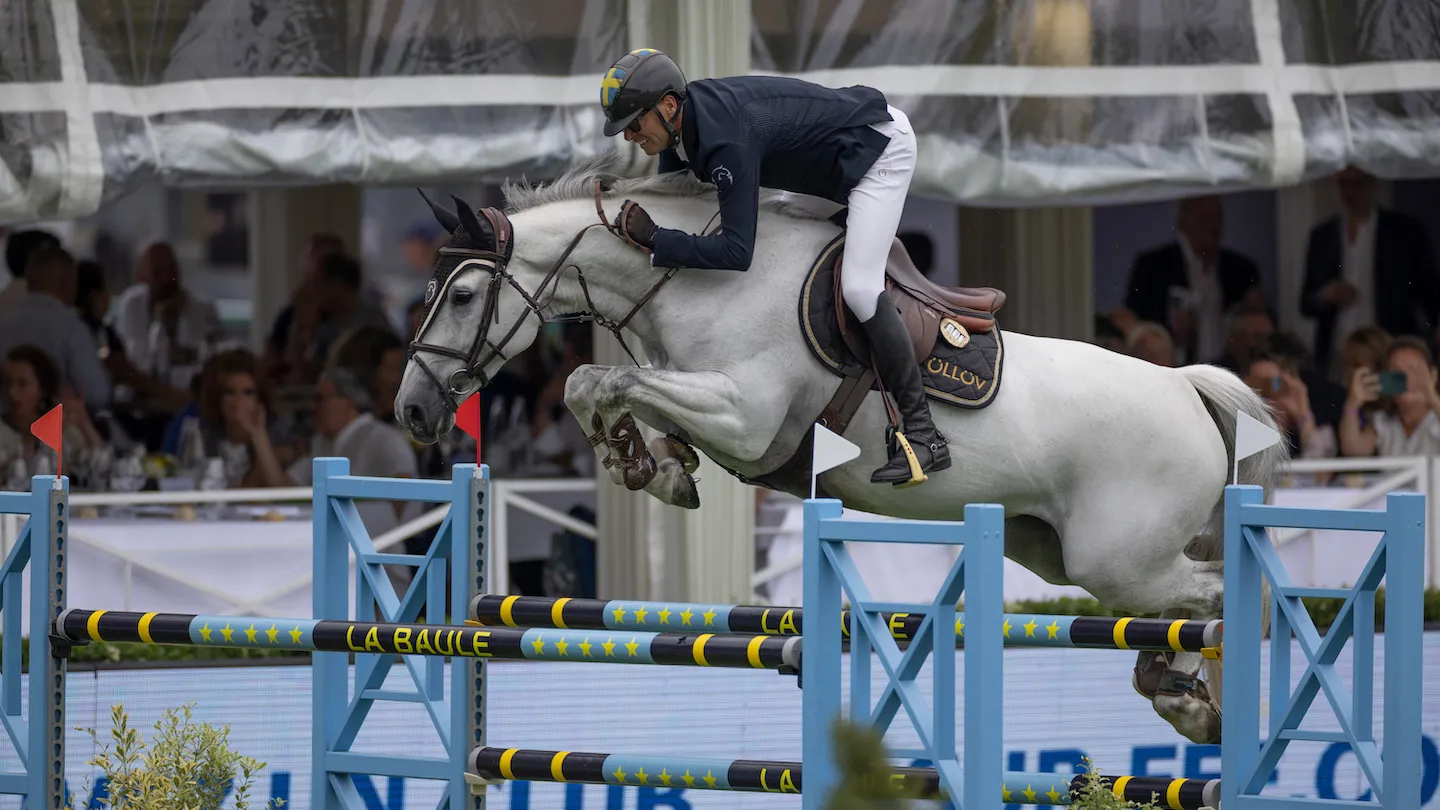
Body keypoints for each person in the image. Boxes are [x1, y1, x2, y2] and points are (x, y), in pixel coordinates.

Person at [597, 48, 949, 486]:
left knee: (859, 288)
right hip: (827, 168)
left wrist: (656, 240)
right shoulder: (682, 130)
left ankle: (923, 434)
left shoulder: (725, 140)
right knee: (778, 237)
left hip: (876, 152)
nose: (629, 136)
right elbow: (674, 210)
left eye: (634, 124)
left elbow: (734, 253)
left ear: (668, 106)